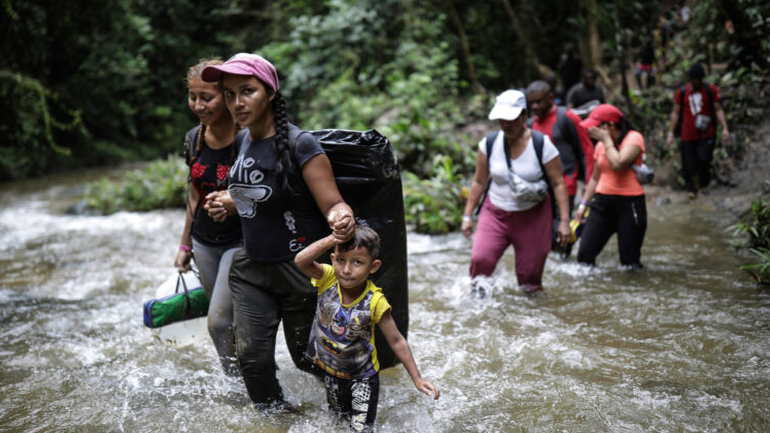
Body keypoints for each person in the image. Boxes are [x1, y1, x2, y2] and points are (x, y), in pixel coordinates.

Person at [200, 53, 356, 409]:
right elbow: (258, 195)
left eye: (247, 91)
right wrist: (230, 202)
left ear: (269, 92)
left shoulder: (302, 145)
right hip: (252, 267)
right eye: (229, 94)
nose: (236, 102)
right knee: (252, 361)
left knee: (308, 360)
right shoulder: (242, 141)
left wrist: (341, 216)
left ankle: (349, 410)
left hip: (299, 270)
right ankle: (280, 422)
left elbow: (333, 202)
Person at [295, 225, 439, 432]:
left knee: (362, 430)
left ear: (373, 266)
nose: (346, 270)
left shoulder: (375, 301)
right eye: (341, 260)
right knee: (337, 423)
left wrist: (417, 378)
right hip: (330, 372)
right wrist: (332, 238)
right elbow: (301, 260)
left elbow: (396, 340)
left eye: (357, 262)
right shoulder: (327, 278)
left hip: (362, 380)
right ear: (333, 259)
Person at [461, 90, 571, 295]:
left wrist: (564, 221)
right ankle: (476, 305)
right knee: (480, 260)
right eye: (501, 119)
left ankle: (530, 318)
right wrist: (467, 215)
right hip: (495, 212)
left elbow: (558, 184)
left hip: (533, 216)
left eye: (510, 118)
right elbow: (478, 181)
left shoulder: (541, 145)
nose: (505, 123)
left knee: (529, 278)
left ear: (523, 116)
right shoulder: (489, 144)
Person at [173, 58, 242, 375]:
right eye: (193, 96)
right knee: (224, 323)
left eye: (207, 97)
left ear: (228, 96)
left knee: (218, 322)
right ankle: (236, 379)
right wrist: (184, 245)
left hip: (240, 243)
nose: (198, 105)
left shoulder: (248, 138)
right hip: (204, 243)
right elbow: (194, 195)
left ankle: (244, 382)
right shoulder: (192, 138)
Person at [526, 80, 594, 257]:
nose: (535, 106)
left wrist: (589, 182)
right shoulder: (530, 124)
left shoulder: (566, 117)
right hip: (540, 188)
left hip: (566, 184)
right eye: (531, 102)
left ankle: (564, 260)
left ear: (550, 98)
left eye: (539, 101)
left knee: (560, 232)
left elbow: (586, 149)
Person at [575, 104, 647, 269]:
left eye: (596, 126)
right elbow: (595, 178)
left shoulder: (634, 138)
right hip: (602, 204)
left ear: (609, 125)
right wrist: (583, 206)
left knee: (629, 263)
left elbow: (618, 163)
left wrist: (606, 139)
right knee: (584, 256)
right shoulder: (600, 146)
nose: (591, 130)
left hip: (630, 205)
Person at [665, 63, 730, 198]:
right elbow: (676, 113)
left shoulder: (709, 90)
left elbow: (718, 109)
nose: (696, 82)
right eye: (694, 79)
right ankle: (691, 190)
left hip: (707, 133)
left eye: (698, 79)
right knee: (688, 163)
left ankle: (703, 186)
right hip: (687, 135)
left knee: (705, 159)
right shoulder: (682, 92)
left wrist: (725, 128)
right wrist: (670, 133)